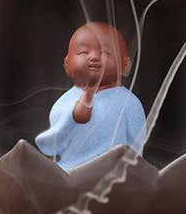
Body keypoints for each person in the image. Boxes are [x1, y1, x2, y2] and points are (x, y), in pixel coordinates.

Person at [35, 22, 146, 171]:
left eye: (106, 52)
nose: (94, 57)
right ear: (67, 64)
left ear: (125, 65)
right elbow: (54, 143)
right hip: (72, 170)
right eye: (83, 52)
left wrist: (135, 171)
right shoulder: (67, 102)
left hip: (114, 174)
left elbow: (136, 143)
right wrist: (73, 116)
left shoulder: (128, 102)